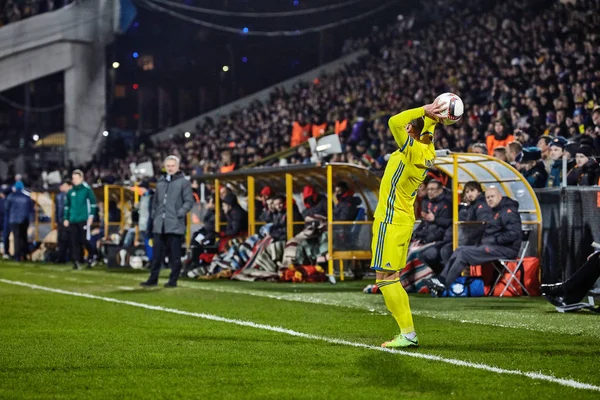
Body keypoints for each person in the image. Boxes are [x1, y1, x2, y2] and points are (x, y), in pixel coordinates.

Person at [370, 98, 446, 348]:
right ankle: (407, 333)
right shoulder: (427, 150)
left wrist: (424, 110)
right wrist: (432, 118)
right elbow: (427, 133)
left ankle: (408, 334)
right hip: (401, 220)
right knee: (389, 277)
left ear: (409, 131)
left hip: (390, 220)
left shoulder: (411, 150)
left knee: (385, 278)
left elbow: (393, 121)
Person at [427, 187, 522, 295]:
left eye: (492, 196)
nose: (490, 199)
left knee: (464, 253)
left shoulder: (507, 211)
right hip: (495, 246)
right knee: (460, 249)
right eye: (487, 197)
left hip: (507, 249)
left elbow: (514, 234)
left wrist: (493, 240)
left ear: (500, 196)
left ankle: (444, 286)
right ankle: (441, 279)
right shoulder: (495, 210)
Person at [141, 156, 194, 288]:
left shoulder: (184, 182)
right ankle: (153, 279)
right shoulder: (161, 182)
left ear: (178, 166)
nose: (170, 168)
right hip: (160, 225)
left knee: (174, 255)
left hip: (175, 225)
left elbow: (189, 201)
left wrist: (179, 214)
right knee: (156, 254)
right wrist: (155, 215)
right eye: (168, 165)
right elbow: (155, 202)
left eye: (173, 165)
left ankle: (173, 280)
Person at [63, 170, 97, 269]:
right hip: (73, 219)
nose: (75, 180)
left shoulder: (87, 190)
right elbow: (67, 206)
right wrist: (66, 218)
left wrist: (91, 216)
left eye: (77, 178)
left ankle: (92, 255)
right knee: (74, 241)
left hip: (83, 218)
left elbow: (93, 204)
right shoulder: (71, 192)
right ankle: (76, 261)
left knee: (84, 240)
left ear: (81, 178)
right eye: (74, 178)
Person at [4, 181, 33, 261]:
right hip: (24, 220)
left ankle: (17, 256)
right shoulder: (27, 197)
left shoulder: (11, 196)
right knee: (24, 237)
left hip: (14, 220)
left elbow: (7, 209)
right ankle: (25, 255)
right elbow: (31, 210)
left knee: (16, 238)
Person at [55, 180, 72, 263]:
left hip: (68, 221)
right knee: (62, 240)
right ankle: (62, 257)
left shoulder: (70, 195)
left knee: (67, 240)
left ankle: (67, 257)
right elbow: (57, 210)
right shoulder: (59, 196)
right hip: (62, 221)